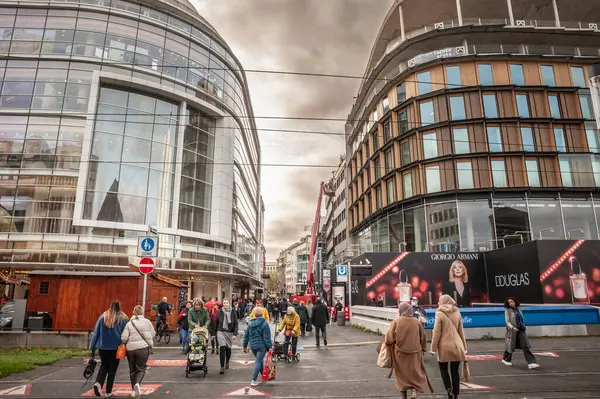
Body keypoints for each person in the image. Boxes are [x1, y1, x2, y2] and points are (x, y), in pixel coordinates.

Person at [384, 302, 432, 399]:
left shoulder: (396, 322)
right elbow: (422, 337)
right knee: (415, 372)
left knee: (402, 374)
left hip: (400, 354)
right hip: (415, 353)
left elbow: (389, 339)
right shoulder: (417, 322)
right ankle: (414, 390)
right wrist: (423, 349)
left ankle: (403, 396)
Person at [430, 295, 469, 399]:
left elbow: (437, 332)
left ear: (443, 301)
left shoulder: (439, 313)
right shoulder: (457, 312)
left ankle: (448, 389)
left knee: (443, 370)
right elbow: (461, 332)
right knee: (455, 371)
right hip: (457, 345)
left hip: (444, 347)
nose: (438, 303)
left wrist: (433, 349)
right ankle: (456, 394)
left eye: (439, 301)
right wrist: (464, 348)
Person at [90, 301, 128, 398]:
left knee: (104, 366)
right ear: (119, 307)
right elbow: (125, 334)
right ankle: (108, 391)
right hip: (116, 348)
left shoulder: (103, 317)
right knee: (112, 369)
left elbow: (96, 334)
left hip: (102, 347)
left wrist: (92, 348)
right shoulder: (123, 319)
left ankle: (98, 383)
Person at [121, 305, 154, 399]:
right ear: (142, 312)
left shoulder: (129, 323)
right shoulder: (147, 322)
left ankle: (133, 390)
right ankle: (138, 384)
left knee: (132, 369)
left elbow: (123, 338)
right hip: (143, 348)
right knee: (141, 368)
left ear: (134, 312)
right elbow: (153, 333)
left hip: (130, 349)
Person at [503, 297, 539, 369]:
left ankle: (531, 363)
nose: (510, 303)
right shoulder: (508, 311)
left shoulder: (519, 309)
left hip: (521, 330)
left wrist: (523, 326)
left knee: (525, 345)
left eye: (512, 302)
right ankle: (505, 359)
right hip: (512, 330)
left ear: (515, 302)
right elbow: (507, 322)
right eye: (509, 302)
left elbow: (521, 319)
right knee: (510, 345)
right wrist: (513, 327)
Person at [243, 307, 272, 387]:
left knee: (259, 360)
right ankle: (253, 380)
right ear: (262, 313)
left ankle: (264, 375)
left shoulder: (250, 323)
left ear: (254, 313)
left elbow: (246, 336)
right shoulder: (264, 323)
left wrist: (244, 346)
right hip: (261, 346)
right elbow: (267, 337)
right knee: (258, 361)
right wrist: (270, 347)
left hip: (252, 346)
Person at [217, 299, 239, 374]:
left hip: (229, 332)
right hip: (220, 331)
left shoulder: (233, 312)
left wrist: (235, 334)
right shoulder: (220, 311)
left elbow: (236, 323)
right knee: (222, 347)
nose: (225, 304)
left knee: (228, 348)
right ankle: (222, 366)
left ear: (229, 304)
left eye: (227, 303)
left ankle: (227, 362)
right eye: (224, 303)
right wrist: (213, 334)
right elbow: (216, 322)